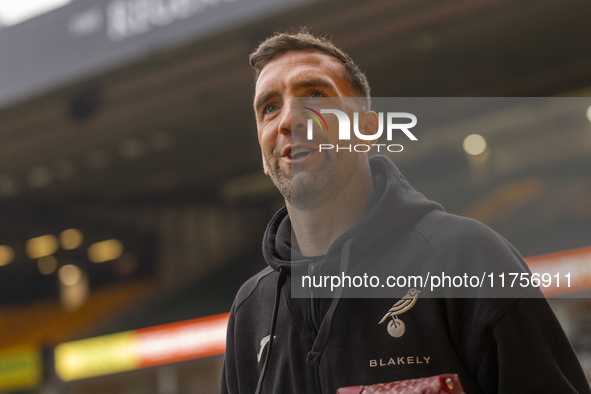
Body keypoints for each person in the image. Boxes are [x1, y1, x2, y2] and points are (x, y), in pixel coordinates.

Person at [221, 30, 591, 393]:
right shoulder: (251, 310)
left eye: (315, 95)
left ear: (367, 129)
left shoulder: (470, 258)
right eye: (270, 108)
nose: (289, 119)